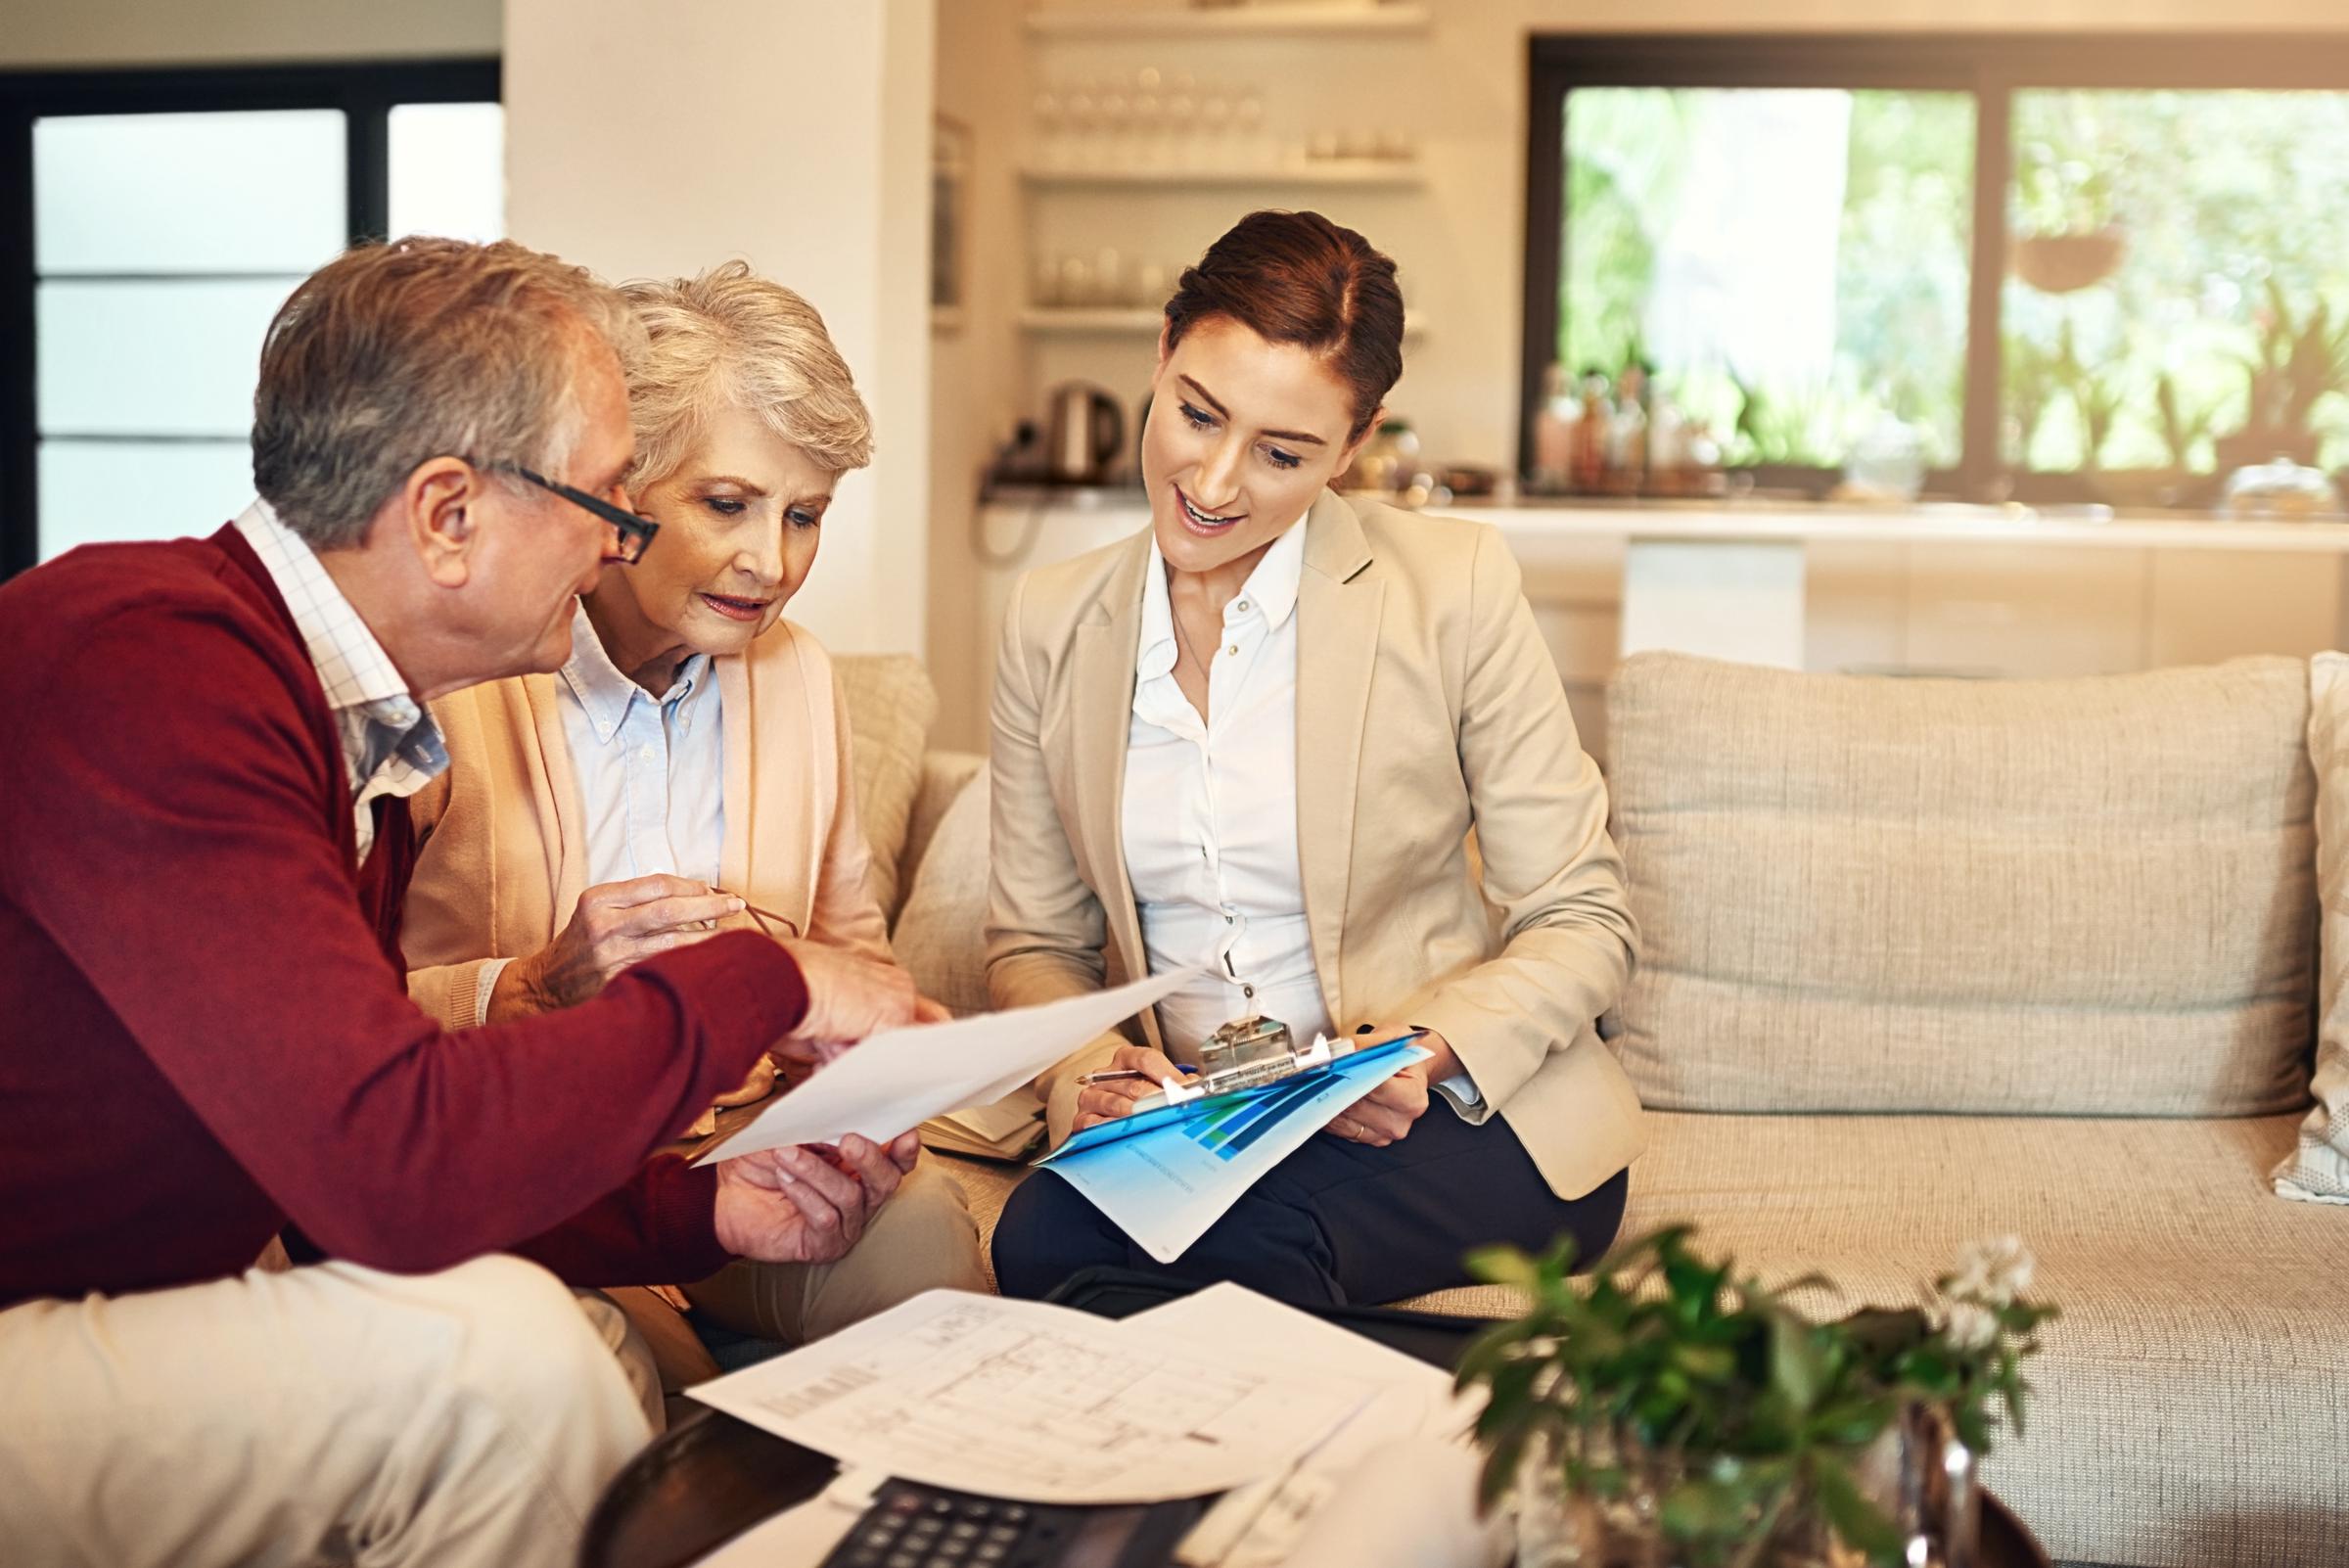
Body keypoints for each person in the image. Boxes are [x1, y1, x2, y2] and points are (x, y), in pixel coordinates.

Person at [0, 238, 922, 1568]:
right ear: (448, 515)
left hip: (154, 1282)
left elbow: (338, 1165)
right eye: (608, 497)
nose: (622, 542)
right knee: (506, 1366)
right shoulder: (151, 663)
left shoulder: (344, 728)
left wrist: (701, 1216)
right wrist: (769, 978)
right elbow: (396, 1160)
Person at [986, 209, 1644, 1307]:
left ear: (1354, 444)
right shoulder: (1049, 622)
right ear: (1162, 351)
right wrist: (1084, 1069)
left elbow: (1584, 919)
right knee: (1037, 1239)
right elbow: (1034, 946)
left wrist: (1422, 1051)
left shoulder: (1454, 591)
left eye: (1284, 453)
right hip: (1200, 1127)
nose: (1217, 482)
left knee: (1244, 1256)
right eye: (1197, 414)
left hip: (1448, 1116)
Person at [401, 261, 986, 1386]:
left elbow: (849, 949)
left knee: (923, 1241)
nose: (772, 562)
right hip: (530, 1173)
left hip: (740, 1153)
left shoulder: (799, 679)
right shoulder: (459, 677)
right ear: (618, 490)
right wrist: (525, 986)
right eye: (728, 503)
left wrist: (872, 1060)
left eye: (804, 513)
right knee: (620, 1369)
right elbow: (345, 1029)